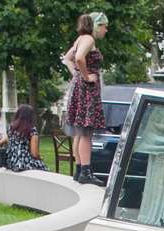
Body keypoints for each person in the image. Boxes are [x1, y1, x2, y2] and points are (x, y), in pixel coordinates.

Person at [61, 12, 108, 185]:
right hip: (87, 89)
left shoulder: (79, 39)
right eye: (104, 26)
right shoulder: (88, 39)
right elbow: (79, 57)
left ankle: (80, 169)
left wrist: (76, 75)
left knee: (80, 132)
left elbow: (67, 59)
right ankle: (86, 172)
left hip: (79, 88)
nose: (106, 29)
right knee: (86, 131)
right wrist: (86, 76)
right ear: (96, 25)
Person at [5, 104, 48, 172]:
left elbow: (9, 143)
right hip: (23, 162)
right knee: (45, 169)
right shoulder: (31, 130)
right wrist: (40, 157)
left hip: (10, 160)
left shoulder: (11, 128)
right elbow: (34, 153)